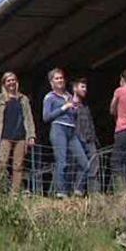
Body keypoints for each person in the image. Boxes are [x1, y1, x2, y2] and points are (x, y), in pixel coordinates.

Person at [42, 68, 89, 198]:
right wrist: (63, 108)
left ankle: (78, 190)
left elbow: (73, 115)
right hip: (58, 129)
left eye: (61, 78)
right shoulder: (50, 97)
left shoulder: (69, 96)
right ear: (51, 82)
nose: (60, 80)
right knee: (62, 162)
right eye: (56, 78)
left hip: (71, 130)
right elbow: (46, 117)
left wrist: (74, 108)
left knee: (84, 163)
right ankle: (61, 192)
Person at [0, 72, 36, 196]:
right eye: (8, 81)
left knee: (18, 166)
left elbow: (29, 118)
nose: (11, 83)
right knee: (1, 164)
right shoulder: (0, 99)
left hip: (20, 136)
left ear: (17, 82)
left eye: (13, 80)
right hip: (4, 136)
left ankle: (15, 194)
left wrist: (31, 135)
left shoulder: (23, 99)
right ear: (4, 83)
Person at [72, 77, 100, 194]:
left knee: (94, 163)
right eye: (82, 87)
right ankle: (78, 190)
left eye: (85, 87)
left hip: (89, 139)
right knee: (82, 164)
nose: (85, 89)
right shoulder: (70, 105)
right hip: (78, 139)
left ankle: (94, 192)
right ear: (75, 88)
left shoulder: (85, 106)